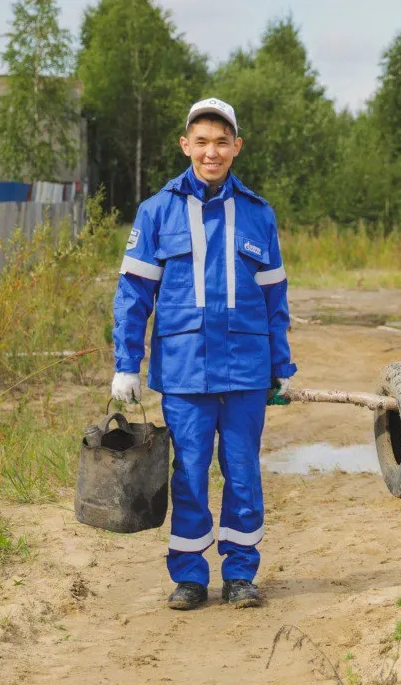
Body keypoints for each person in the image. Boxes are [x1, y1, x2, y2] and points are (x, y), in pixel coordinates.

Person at [111, 97, 297, 611]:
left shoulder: (259, 215)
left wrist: (282, 368)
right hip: (185, 371)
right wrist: (126, 364)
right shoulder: (156, 212)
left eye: (221, 142)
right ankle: (190, 577)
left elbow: (274, 300)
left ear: (236, 147)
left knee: (242, 473)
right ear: (185, 145)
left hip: (245, 372)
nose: (211, 151)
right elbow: (133, 294)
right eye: (202, 142)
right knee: (189, 474)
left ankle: (240, 574)